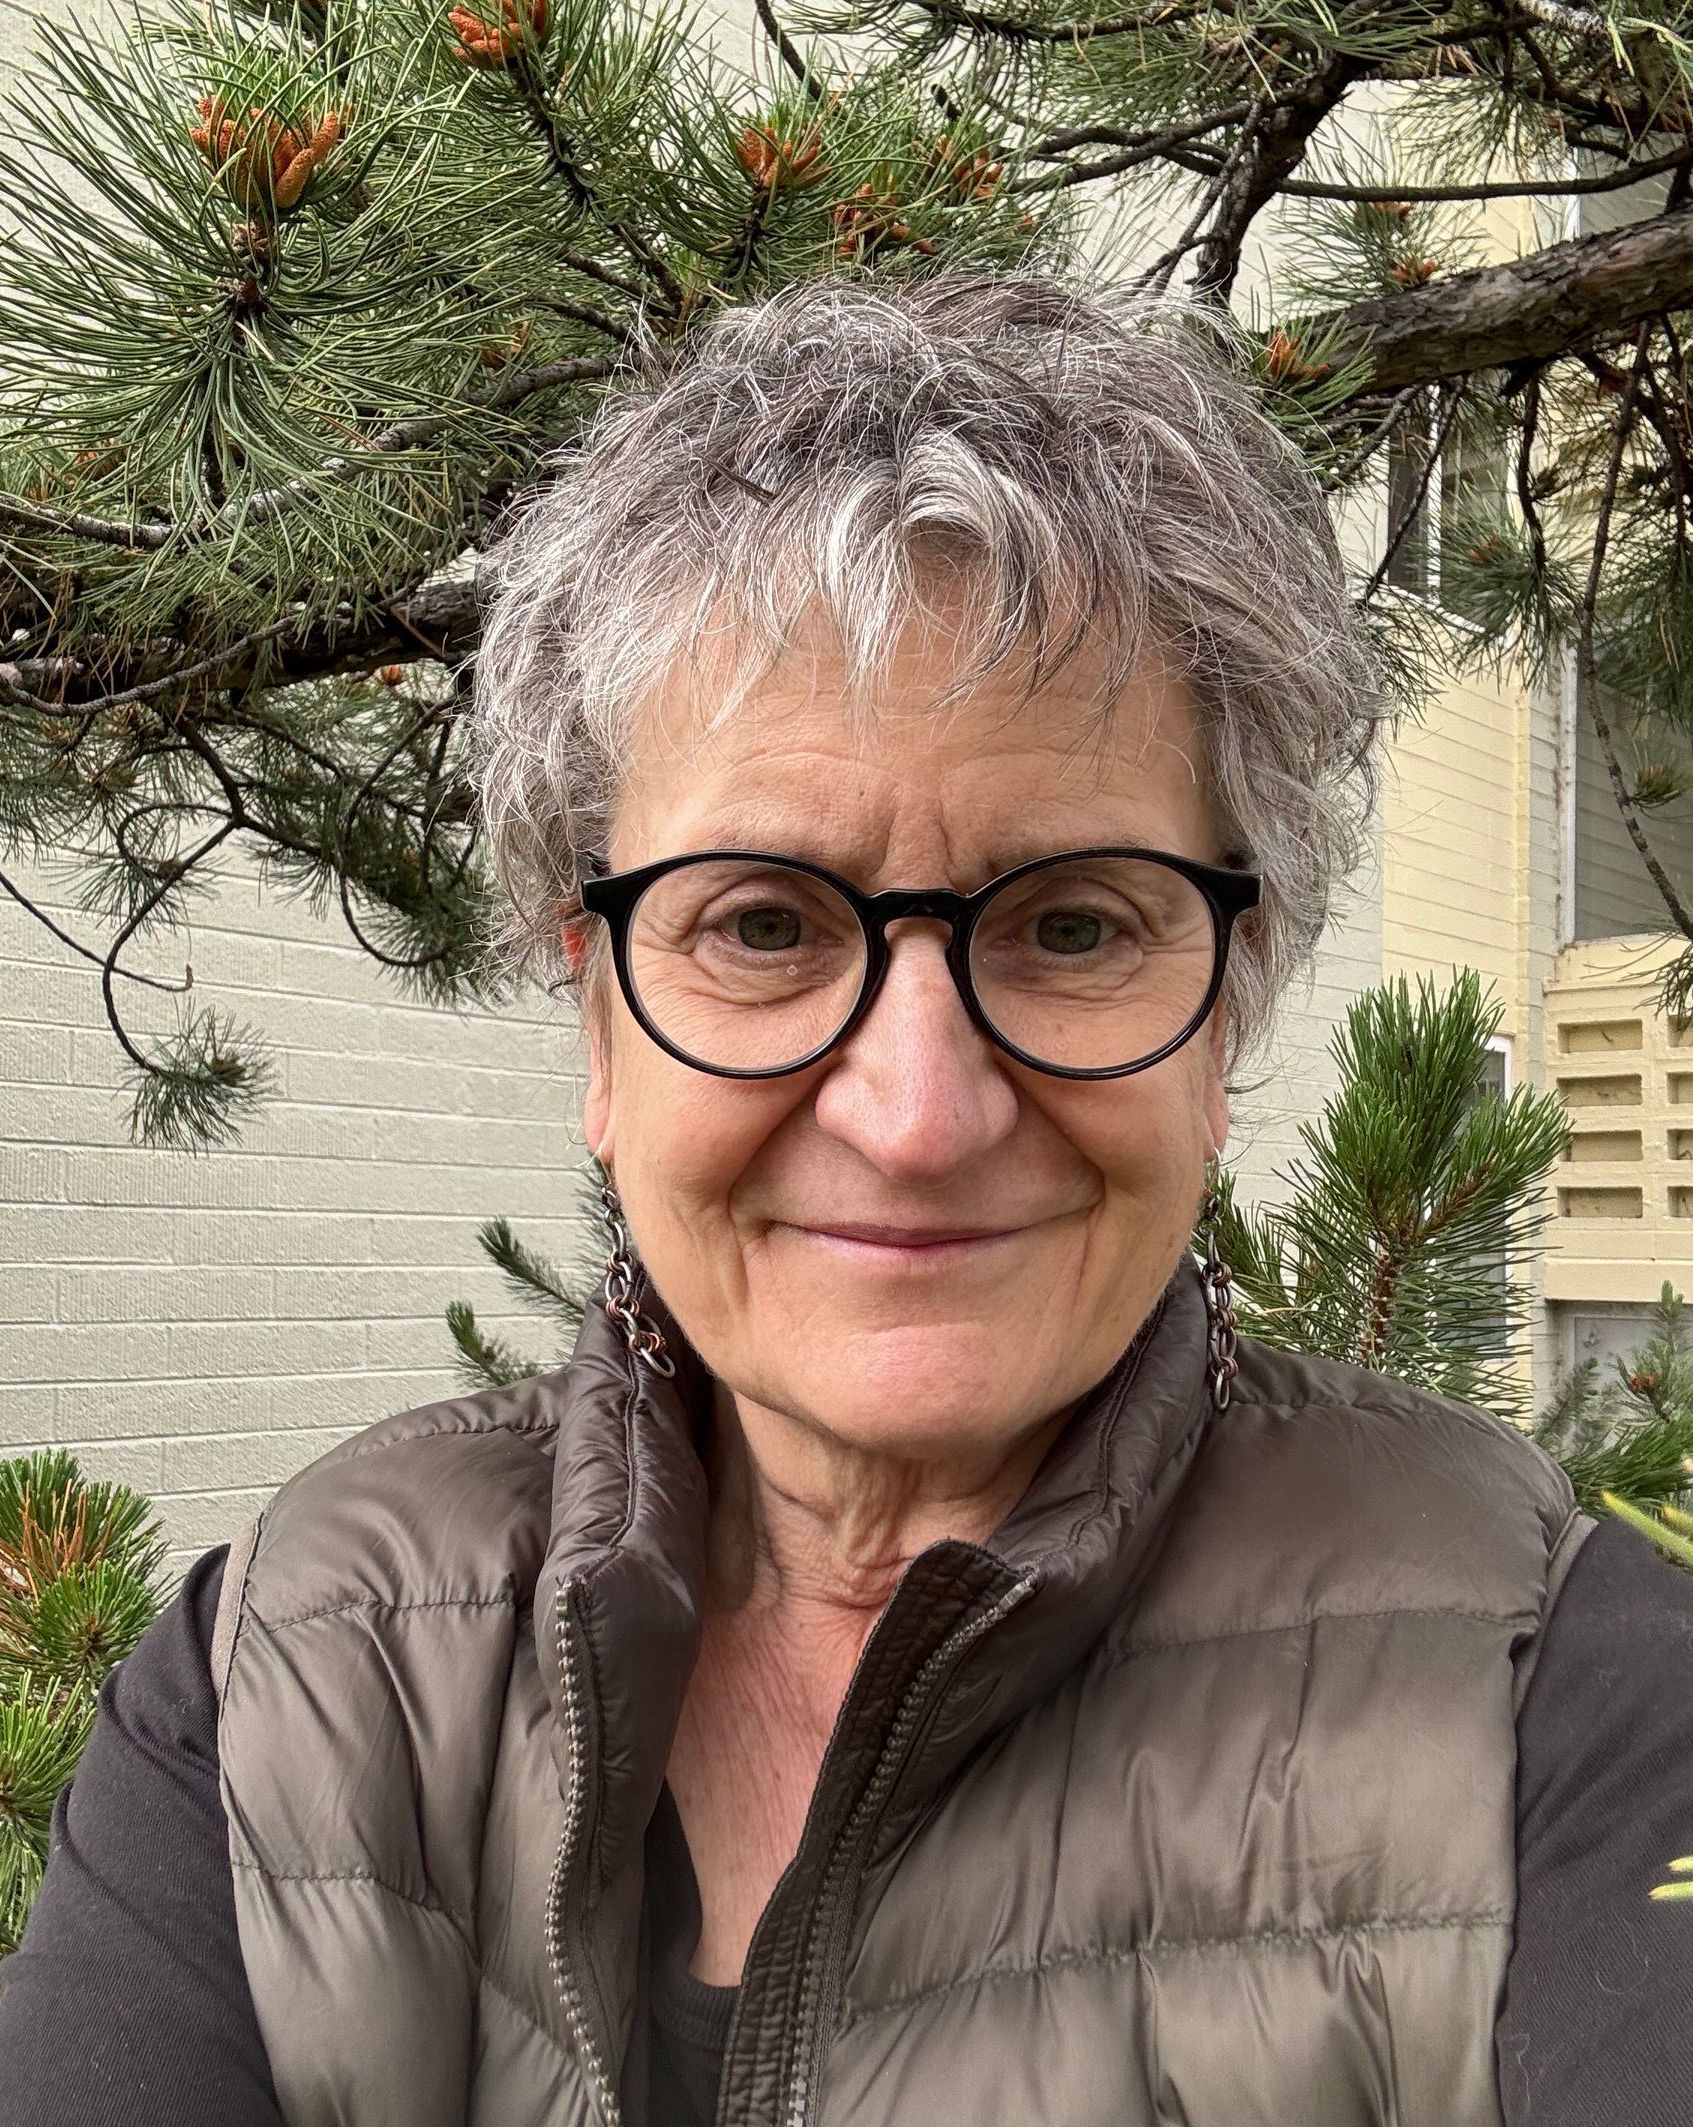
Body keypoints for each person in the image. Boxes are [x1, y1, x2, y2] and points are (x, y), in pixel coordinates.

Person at [3, 271, 1691, 2127]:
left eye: (1068, 925)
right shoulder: (288, 1691)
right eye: (760, 925)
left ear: (1228, 1011)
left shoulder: (1565, 1700)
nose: (912, 1111)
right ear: (593, 1012)